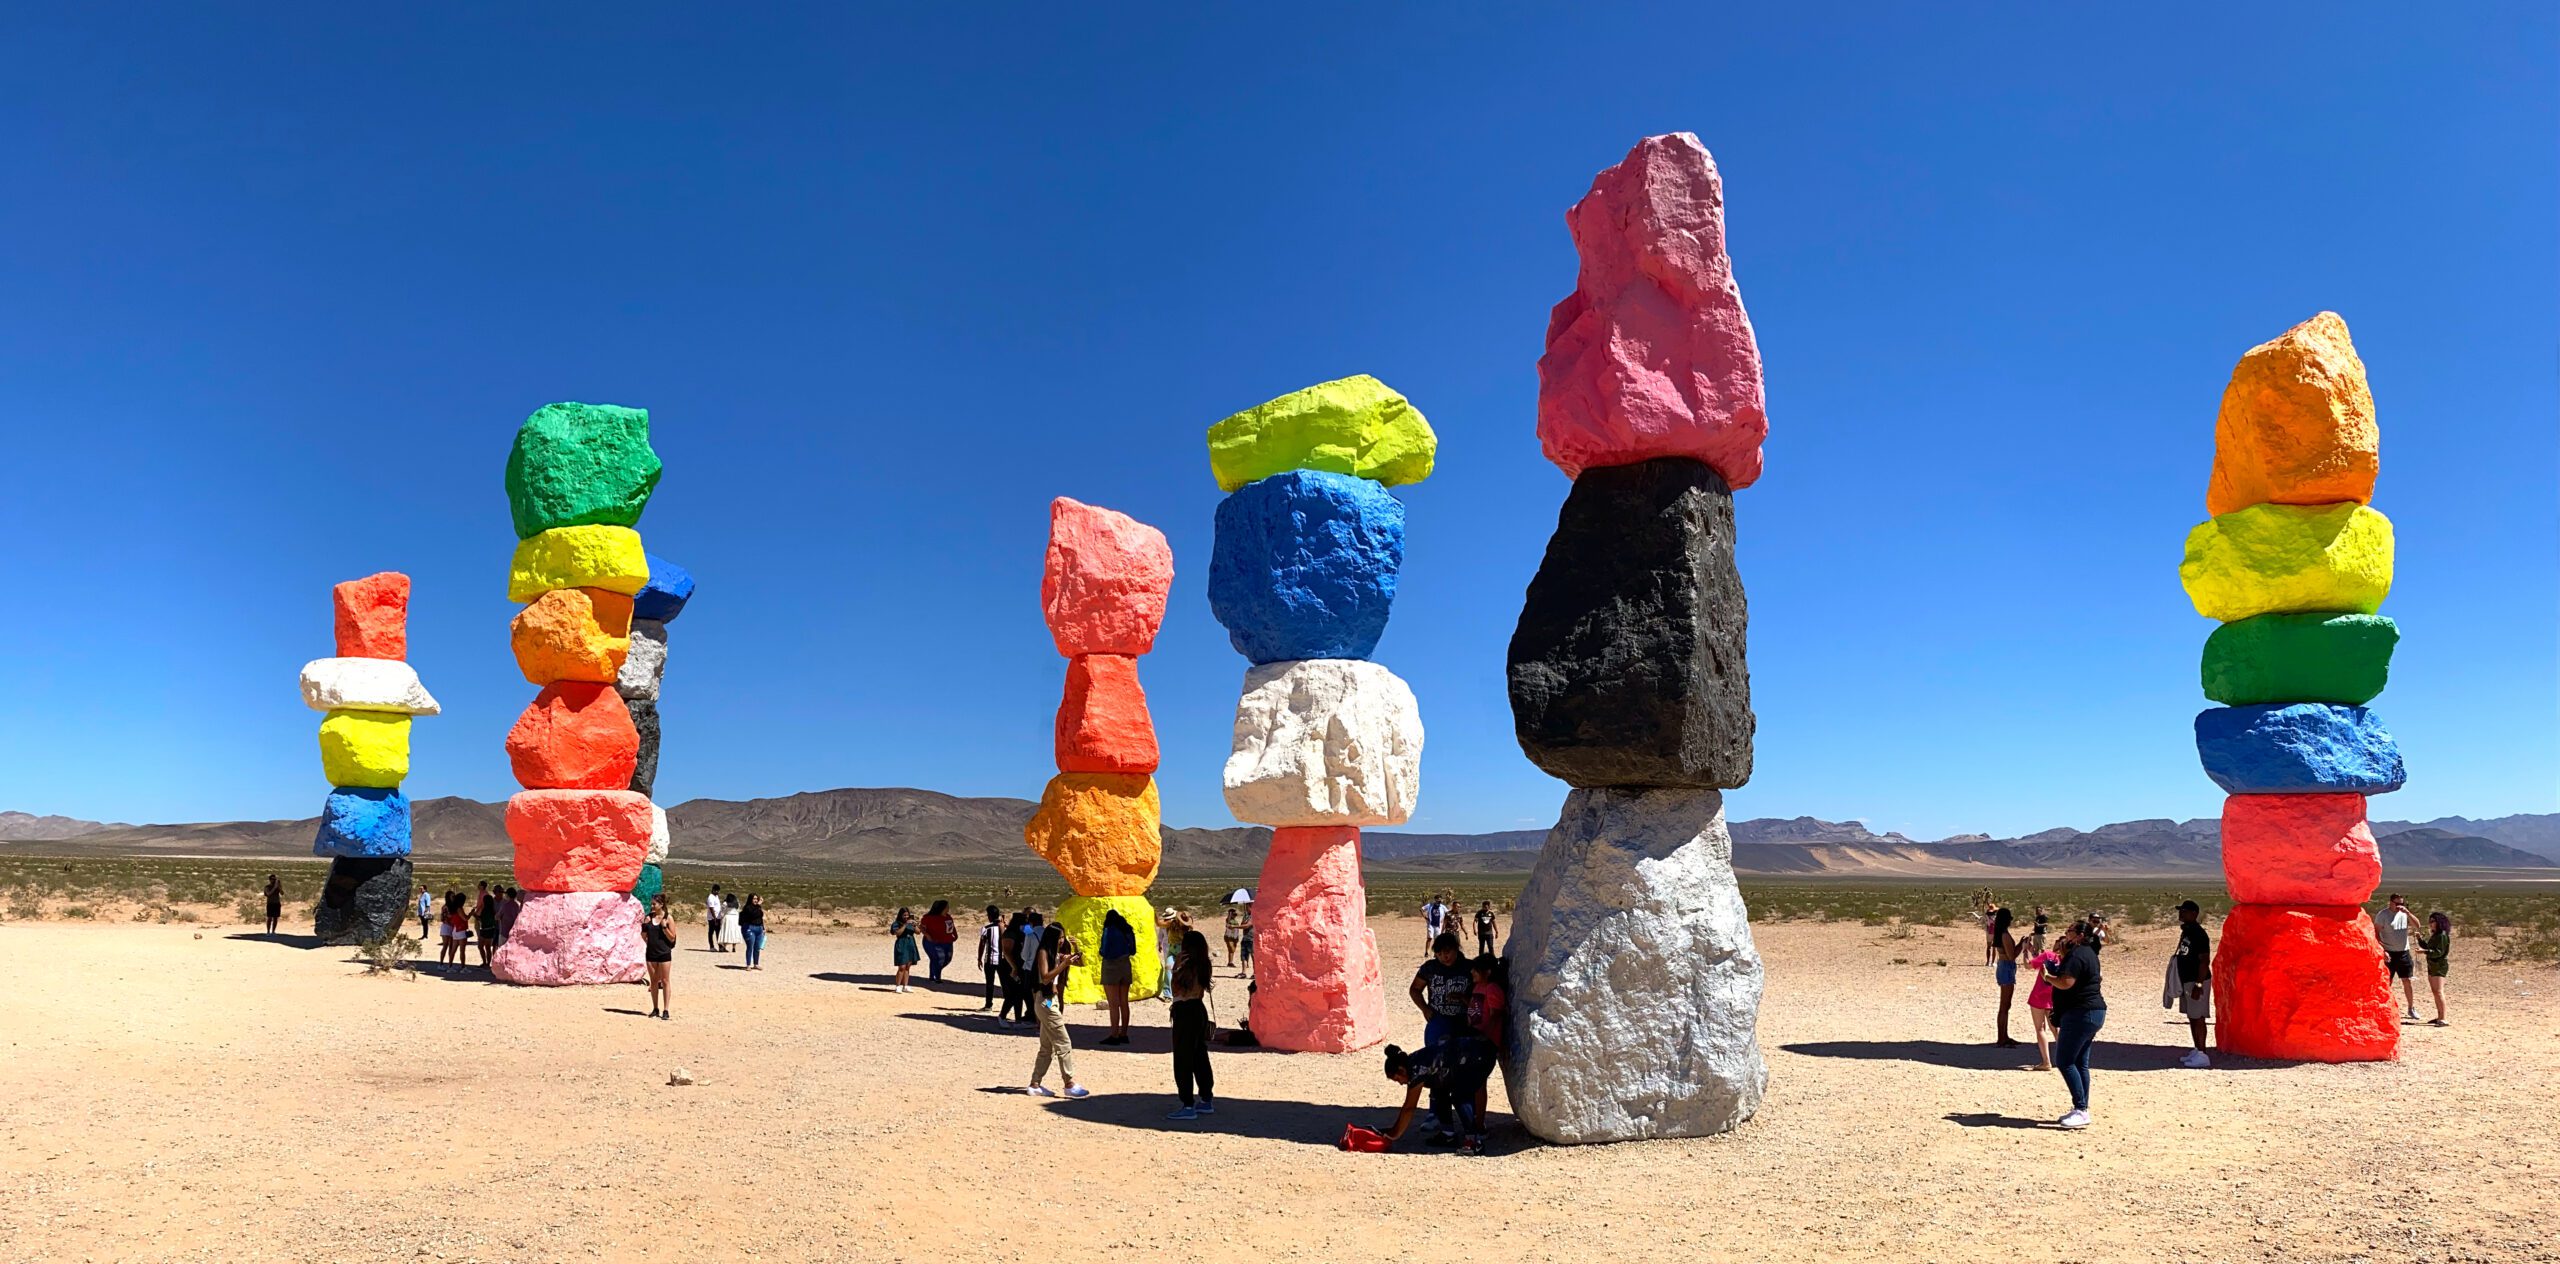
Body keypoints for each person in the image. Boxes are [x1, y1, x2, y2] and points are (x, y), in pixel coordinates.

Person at [1377, 1037, 1498, 1154]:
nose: (1401, 1083)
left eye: (1398, 1080)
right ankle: (1448, 1135)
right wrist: (1391, 1131)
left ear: (1401, 1070)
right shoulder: (1413, 1062)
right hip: (1474, 1055)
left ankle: (1475, 1142)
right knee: (1438, 1090)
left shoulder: (1416, 1070)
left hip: (1479, 1057)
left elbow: (1409, 1108)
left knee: (1460, 1096)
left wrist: (1393, 1135)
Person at [2041, 919, 2106, 1129]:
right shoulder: (2089, 954)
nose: (2065, 933)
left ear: (2079, 935)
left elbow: (2066, 982)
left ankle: (2081, 1109)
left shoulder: (2078, 955)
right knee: (2080, 1062)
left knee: (2065, 1060)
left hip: (2081, 1014)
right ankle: (2081, 1107)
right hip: (2093, 1012)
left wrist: (2048, 977)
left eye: (2069, 931)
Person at [1027, 924, 1091, 1100]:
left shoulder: (1056, 954)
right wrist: (1063, 964)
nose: (1062, 941)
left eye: (1063, 937)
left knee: (1046, 1047)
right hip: (1045, 1002)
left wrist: (1076, 949)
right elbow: (1046, 977)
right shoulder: (1043, 953)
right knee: (1063, 1042)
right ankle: (1069, 1083)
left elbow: (1081, 962)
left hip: (1050, 1001)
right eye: (1059, 937)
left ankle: (1035, 1084)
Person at [1166, 928, 1217, 1120]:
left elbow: (1176, 991)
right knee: (1199, 1055)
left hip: (1184, 1011)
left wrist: (1175, 967)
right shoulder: (1204, 965)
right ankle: (1206, 1098)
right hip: (1198, 1009)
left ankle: (1187, 1104)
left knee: (1183, 1059)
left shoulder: (1185, 966)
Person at [2167, 899, 2212, 1068]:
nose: (2181, 914)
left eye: (2184, 911)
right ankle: (2196, 1049)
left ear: (2194, 914)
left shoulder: (2199, 934)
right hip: (2187, 980)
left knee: (2198, 1016)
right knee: (2191, 1016)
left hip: (2196, 981)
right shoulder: (2187, 931)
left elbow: (2204, 960)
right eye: (2181, 911)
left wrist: (2199, 984)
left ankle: (2202, 1054)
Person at [1411, 933, 1473, 1046]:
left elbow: (1482, 994)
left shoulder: (1469, 968)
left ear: (1456, 949)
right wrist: (1424, 1009)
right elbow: (1415, 989)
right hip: (1438, 1019)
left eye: (1447, 952)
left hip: (1464, 1020)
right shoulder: (1430, 968)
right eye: (1439, 954)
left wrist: (1463, 998)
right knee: (1435, 1055)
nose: (1444, 957)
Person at [2375, 893, 2420, 1021]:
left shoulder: (2404, 914)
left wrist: (2408, 913)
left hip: (2403, 952)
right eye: (2397, 903)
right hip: (2389, 952)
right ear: (2390, 902)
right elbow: (2376, 933)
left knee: (2407, 980)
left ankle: (2411, 1008)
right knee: (2387, 981)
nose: (2399, 906)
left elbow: (2417, 925)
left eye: (2402, 903)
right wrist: (2382, 950)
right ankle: (2383, 1007)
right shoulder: (2382, 915)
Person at [1098, 908, 1138, 1045]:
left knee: (1113, 1004)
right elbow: (1133, 950)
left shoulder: (1108, 930)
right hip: (1125, 964)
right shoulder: (1127, 930)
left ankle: (1114, 1035)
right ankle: (1124, 1034)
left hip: (1111, 966)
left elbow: (1104, 950)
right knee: (1124, 1002)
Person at [2022, 938, 2062, 1072]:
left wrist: (2024, 951)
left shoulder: (2048, 955)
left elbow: (2028, 965)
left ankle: (2046, 1061)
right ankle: (2065, 1059)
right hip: (2054, 997)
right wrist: (2033, 951)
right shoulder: (2066, 961)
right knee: (2056, 1029)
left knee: (2040, 1029)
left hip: (2039, 996)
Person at [1990, 907, 2022, 1047]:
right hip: (2006, 968)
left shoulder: (2001, 934)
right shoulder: (2004, 935)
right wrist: (2022, 944)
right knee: (2004, 1005)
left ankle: (2004, 1035)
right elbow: (2012, 956)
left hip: (2004, 967)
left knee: (2006, 1005)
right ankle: (2001, 1038)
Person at [641, 895, 677, 1019]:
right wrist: (645, 926)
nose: (651, 906)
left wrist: (664, 927)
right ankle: (655, 1008)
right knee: (654, 981)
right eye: (651, 904)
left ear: (661, 905)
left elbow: (672, 937)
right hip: (651, 953)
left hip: (664, 953)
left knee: (665, 980)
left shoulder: (668, 918)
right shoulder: (648, 918)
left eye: (654, 904)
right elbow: (643, 936)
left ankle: (666, 1010)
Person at [1464, 954, 1507, 1051]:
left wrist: (1485, 1036)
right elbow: (1476, 1007)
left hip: (1486, 1041)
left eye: (1476, 970)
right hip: (1475, 1036)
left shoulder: (1492, 988)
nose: (1472, 972)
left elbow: (1495, 1016)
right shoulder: (1478, 987)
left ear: (1488, 972)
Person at [996, 911, 1030, 1025]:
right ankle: (1002, 1016)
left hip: (1019, 966)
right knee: (1013, 994)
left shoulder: (1023, 932)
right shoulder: (1010, 933)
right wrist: (1014, 968)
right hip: (1008, 967)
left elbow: (1032, 936)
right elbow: (1006, 952)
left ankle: (1018, 1019)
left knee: (1019, 993)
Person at [2420, 911, 2452, 1026]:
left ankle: (2443, 1018)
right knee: (2435, 991)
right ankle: (2439, 1016)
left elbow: (2438, 952)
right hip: (2432, 965)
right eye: (2430, 921)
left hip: (2439, 966)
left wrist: (2425, 952)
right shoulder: (2436, 935)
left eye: (2433, 921)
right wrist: (2420, 941)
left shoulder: (2442, 935)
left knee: (2438, 991)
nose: (2431, 924)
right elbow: (2430, 948)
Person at [920, 899, 958, 984]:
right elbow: (921, 928)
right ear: (942, 908)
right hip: (933, 942)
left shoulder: (948, 917)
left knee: (947, 959)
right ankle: (936, 977)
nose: (948, 908)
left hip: (947, 942)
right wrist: (927, 935)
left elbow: (952, 926)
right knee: (938, 959)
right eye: (947, 906)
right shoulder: (928, 917)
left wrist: (955, 935)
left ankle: (933, 974)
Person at [978, 905, 1006, 1011]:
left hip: (990, 960)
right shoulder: (1004, 928)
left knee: (989, 983)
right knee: (1004, 983)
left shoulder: (986, 929)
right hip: (1002, 960)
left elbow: (982, 944)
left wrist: (979, 958)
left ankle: (988, 1005)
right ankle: (1008, 1003)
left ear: (989, 916)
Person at [888, 906, 921, 993]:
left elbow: (918, 932)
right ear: (900, 915)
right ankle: (898, 986)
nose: (906, 917)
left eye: (907, 915)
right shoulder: (896, 923)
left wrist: (914, 925)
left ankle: (905, 986)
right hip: (901, 944)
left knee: (907, 966)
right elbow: (897, 933)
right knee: (902, 966)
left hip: (910, 944)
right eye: (904, 915)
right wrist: (905, 924)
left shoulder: (911, 923)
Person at [439, 891, 470, 965]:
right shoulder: (446, 907)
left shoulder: (453, 906)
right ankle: (441, 963)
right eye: (452, 896)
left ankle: (450, 964)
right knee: (445, 945)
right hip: (447, 926)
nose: (453, 898)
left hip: (453, 927)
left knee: (451, 946)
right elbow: (443, 918)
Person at [473, 881, 499, 968]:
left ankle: (485, 962)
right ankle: (488, 963)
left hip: (485, 930)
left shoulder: (485, 911)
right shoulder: (492, 910)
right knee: (487, 948)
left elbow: (481, 920)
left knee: (481, 946)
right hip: (490, 929)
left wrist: (474, 915)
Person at [740, 894, 766, 970]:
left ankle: (756, 963)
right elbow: (752, 914)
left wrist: (763, 928)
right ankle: (748, 964)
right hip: (750, 928)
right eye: (754, 899)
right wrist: (758, 905)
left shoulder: (758, 907)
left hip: (759, 928)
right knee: (750, 946)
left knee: (757, 947)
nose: (755, 900)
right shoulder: (747, 908)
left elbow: (760, 918)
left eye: (756, 899)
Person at [705, 885, 725, 952]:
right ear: (713, 890)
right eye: (717, 891)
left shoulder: (716, 896)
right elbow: (711, 908)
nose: (718, 892)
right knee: (711, 932)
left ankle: (720, 947)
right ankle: (711, 946)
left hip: (718, 917)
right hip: (712, 918)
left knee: (718, 932)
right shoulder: (710, 897)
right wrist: (715, 918)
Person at [1237, 905, 1255, 979]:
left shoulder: (1254, 916)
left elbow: (1247, 925)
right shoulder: (1246, 916)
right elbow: (1242, 924)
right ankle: (1243, 972)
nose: (1246, 908)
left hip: (1251, 938)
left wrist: (1234, 927)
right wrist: (1244, 920)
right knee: (1243, 956)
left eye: (1248, 907)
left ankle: (1255, 972)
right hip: (1245, 938)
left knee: (1253, 956)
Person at [1223, 905, 1243, 969]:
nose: (1235, 915)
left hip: (1235, 936)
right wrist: (1230, 913)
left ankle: (1230, 962)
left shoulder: (1235, 921)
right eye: (1234, 914)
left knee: (1232, 950)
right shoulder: (1228, 920)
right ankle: (1230, 962)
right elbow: (1228, 921)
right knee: (1231, 949)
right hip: (1229, 936)